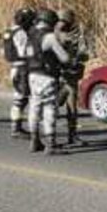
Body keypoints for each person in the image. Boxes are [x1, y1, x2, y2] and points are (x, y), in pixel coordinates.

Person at [26, 9, 72, 155]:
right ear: (50, 21)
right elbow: (65, 58)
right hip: (46, 76)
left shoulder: (30, 34)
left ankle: (34, 141)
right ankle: (50, 144)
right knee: (49, 109)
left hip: (31, 75)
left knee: (34, 106)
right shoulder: (50, 37)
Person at [56, 8, 89, 146]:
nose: (62, 24)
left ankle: (72, 135)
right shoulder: (54, 35)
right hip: (57, 77)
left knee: (72, 108)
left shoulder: (78, 34)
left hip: (72, 76)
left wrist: (79, 57)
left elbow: (86, 52)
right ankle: (48, 136)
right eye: (60, 20)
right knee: (52, 106)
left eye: (65, 20)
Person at [3, 7, 35, 138]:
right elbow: (24, 52)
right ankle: (16, 128)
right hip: (22, 69)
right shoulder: (20, 33)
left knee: (20, 99)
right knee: (21, 99)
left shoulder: (9, 31)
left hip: (15, 68)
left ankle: (16, 127)